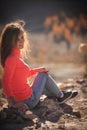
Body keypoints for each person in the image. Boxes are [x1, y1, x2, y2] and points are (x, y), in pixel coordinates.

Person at [0, 20, 78, 111]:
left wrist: (35, 70)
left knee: (42, 77)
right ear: (10, 41)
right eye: (17, 39)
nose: (21, 41)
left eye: (22, 37)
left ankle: (59, 94)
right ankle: (61, 96)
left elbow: (20, 75)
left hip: (27, 96)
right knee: (43, 74)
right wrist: (12, 102)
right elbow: (5, 81)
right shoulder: (12, 59)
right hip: (29, 100)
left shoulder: (14, 56)